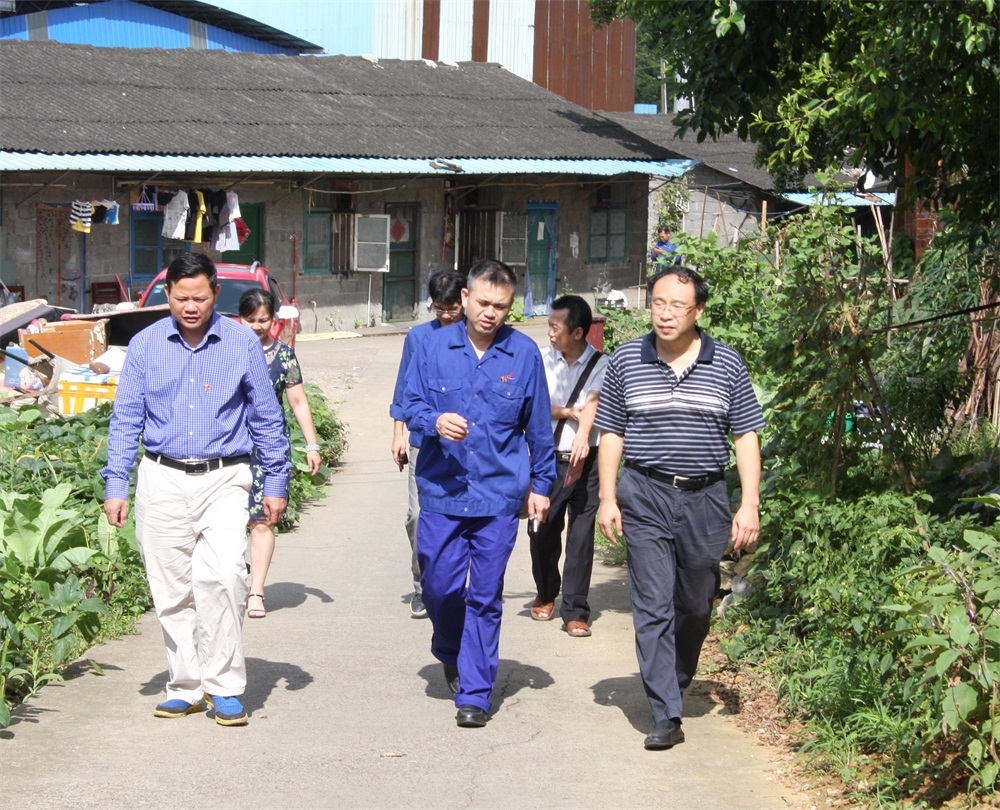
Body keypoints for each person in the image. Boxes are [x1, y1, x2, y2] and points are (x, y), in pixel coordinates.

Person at [102, 253, 290, 727]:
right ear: (168, 294)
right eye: (182, 298)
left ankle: (223, 686)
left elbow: (266, 417)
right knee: (170, 589)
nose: (191, 307)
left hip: (226, 476)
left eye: (200, 298)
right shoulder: (145, 345)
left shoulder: (241, 343)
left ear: (215, 295)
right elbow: (125, 419)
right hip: (161, 477)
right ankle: (185, 685)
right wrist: (116, 483)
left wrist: (276, 481)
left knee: (224, 577)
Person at [595, 265, 764, 751]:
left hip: (705, 498)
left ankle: (677, 676)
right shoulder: (626, 360)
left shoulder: (726, 363)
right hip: (644, 493)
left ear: (698, 311)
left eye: (677, 306)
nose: (665, 314)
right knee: (651, 603)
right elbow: (612, 432)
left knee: (694, 601)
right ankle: (665, 713)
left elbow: (746, 435)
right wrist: (607, 497)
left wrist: (749, 503)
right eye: (658, 303)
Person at [403, 259, 556, 728]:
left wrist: (542, 485)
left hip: (498, 495)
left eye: (501, 306)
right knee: (439, 588)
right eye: (484, 302)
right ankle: (450, 649)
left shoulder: (523, 354)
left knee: (486, 596)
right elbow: (407, 405)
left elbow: (538, 427)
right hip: (442, 490)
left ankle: (474, 692)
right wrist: (433, 421)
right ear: (465, 298)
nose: (491, 313)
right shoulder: (429, 346)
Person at [527, 295, 608, 638]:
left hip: (587, 460)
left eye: (555, 327)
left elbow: (593, 402)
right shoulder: (540, 360)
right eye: (549, 325)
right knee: (541, 530)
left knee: (581, 536)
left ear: (577, 332)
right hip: (547, 460)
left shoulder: (602, 364)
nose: (549, 333)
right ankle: (546, 591)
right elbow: (532, 407)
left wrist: (583, 436)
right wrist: (564, 412)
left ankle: (575, 610)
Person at [239, 288, 322, 620]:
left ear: (273, 319)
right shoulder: (226, 352)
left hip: (268, 449)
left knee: (262, 520)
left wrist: (312, 445)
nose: (257, 326)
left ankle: (256, 591)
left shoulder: (284, 356)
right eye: (250, 320)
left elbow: (298, 402)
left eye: (263, 320)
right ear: (239, 319)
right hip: (228, 447)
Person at [389, 271, 466, 618]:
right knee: (418, 516)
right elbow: (404, 389)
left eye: (452, 309)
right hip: (424, 441)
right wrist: (398, 434)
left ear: (465, 300)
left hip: (466, 446)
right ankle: (423, 586)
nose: (446, 315)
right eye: (439, 309)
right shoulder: (419, 337)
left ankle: (452, 584)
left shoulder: (476, 338)